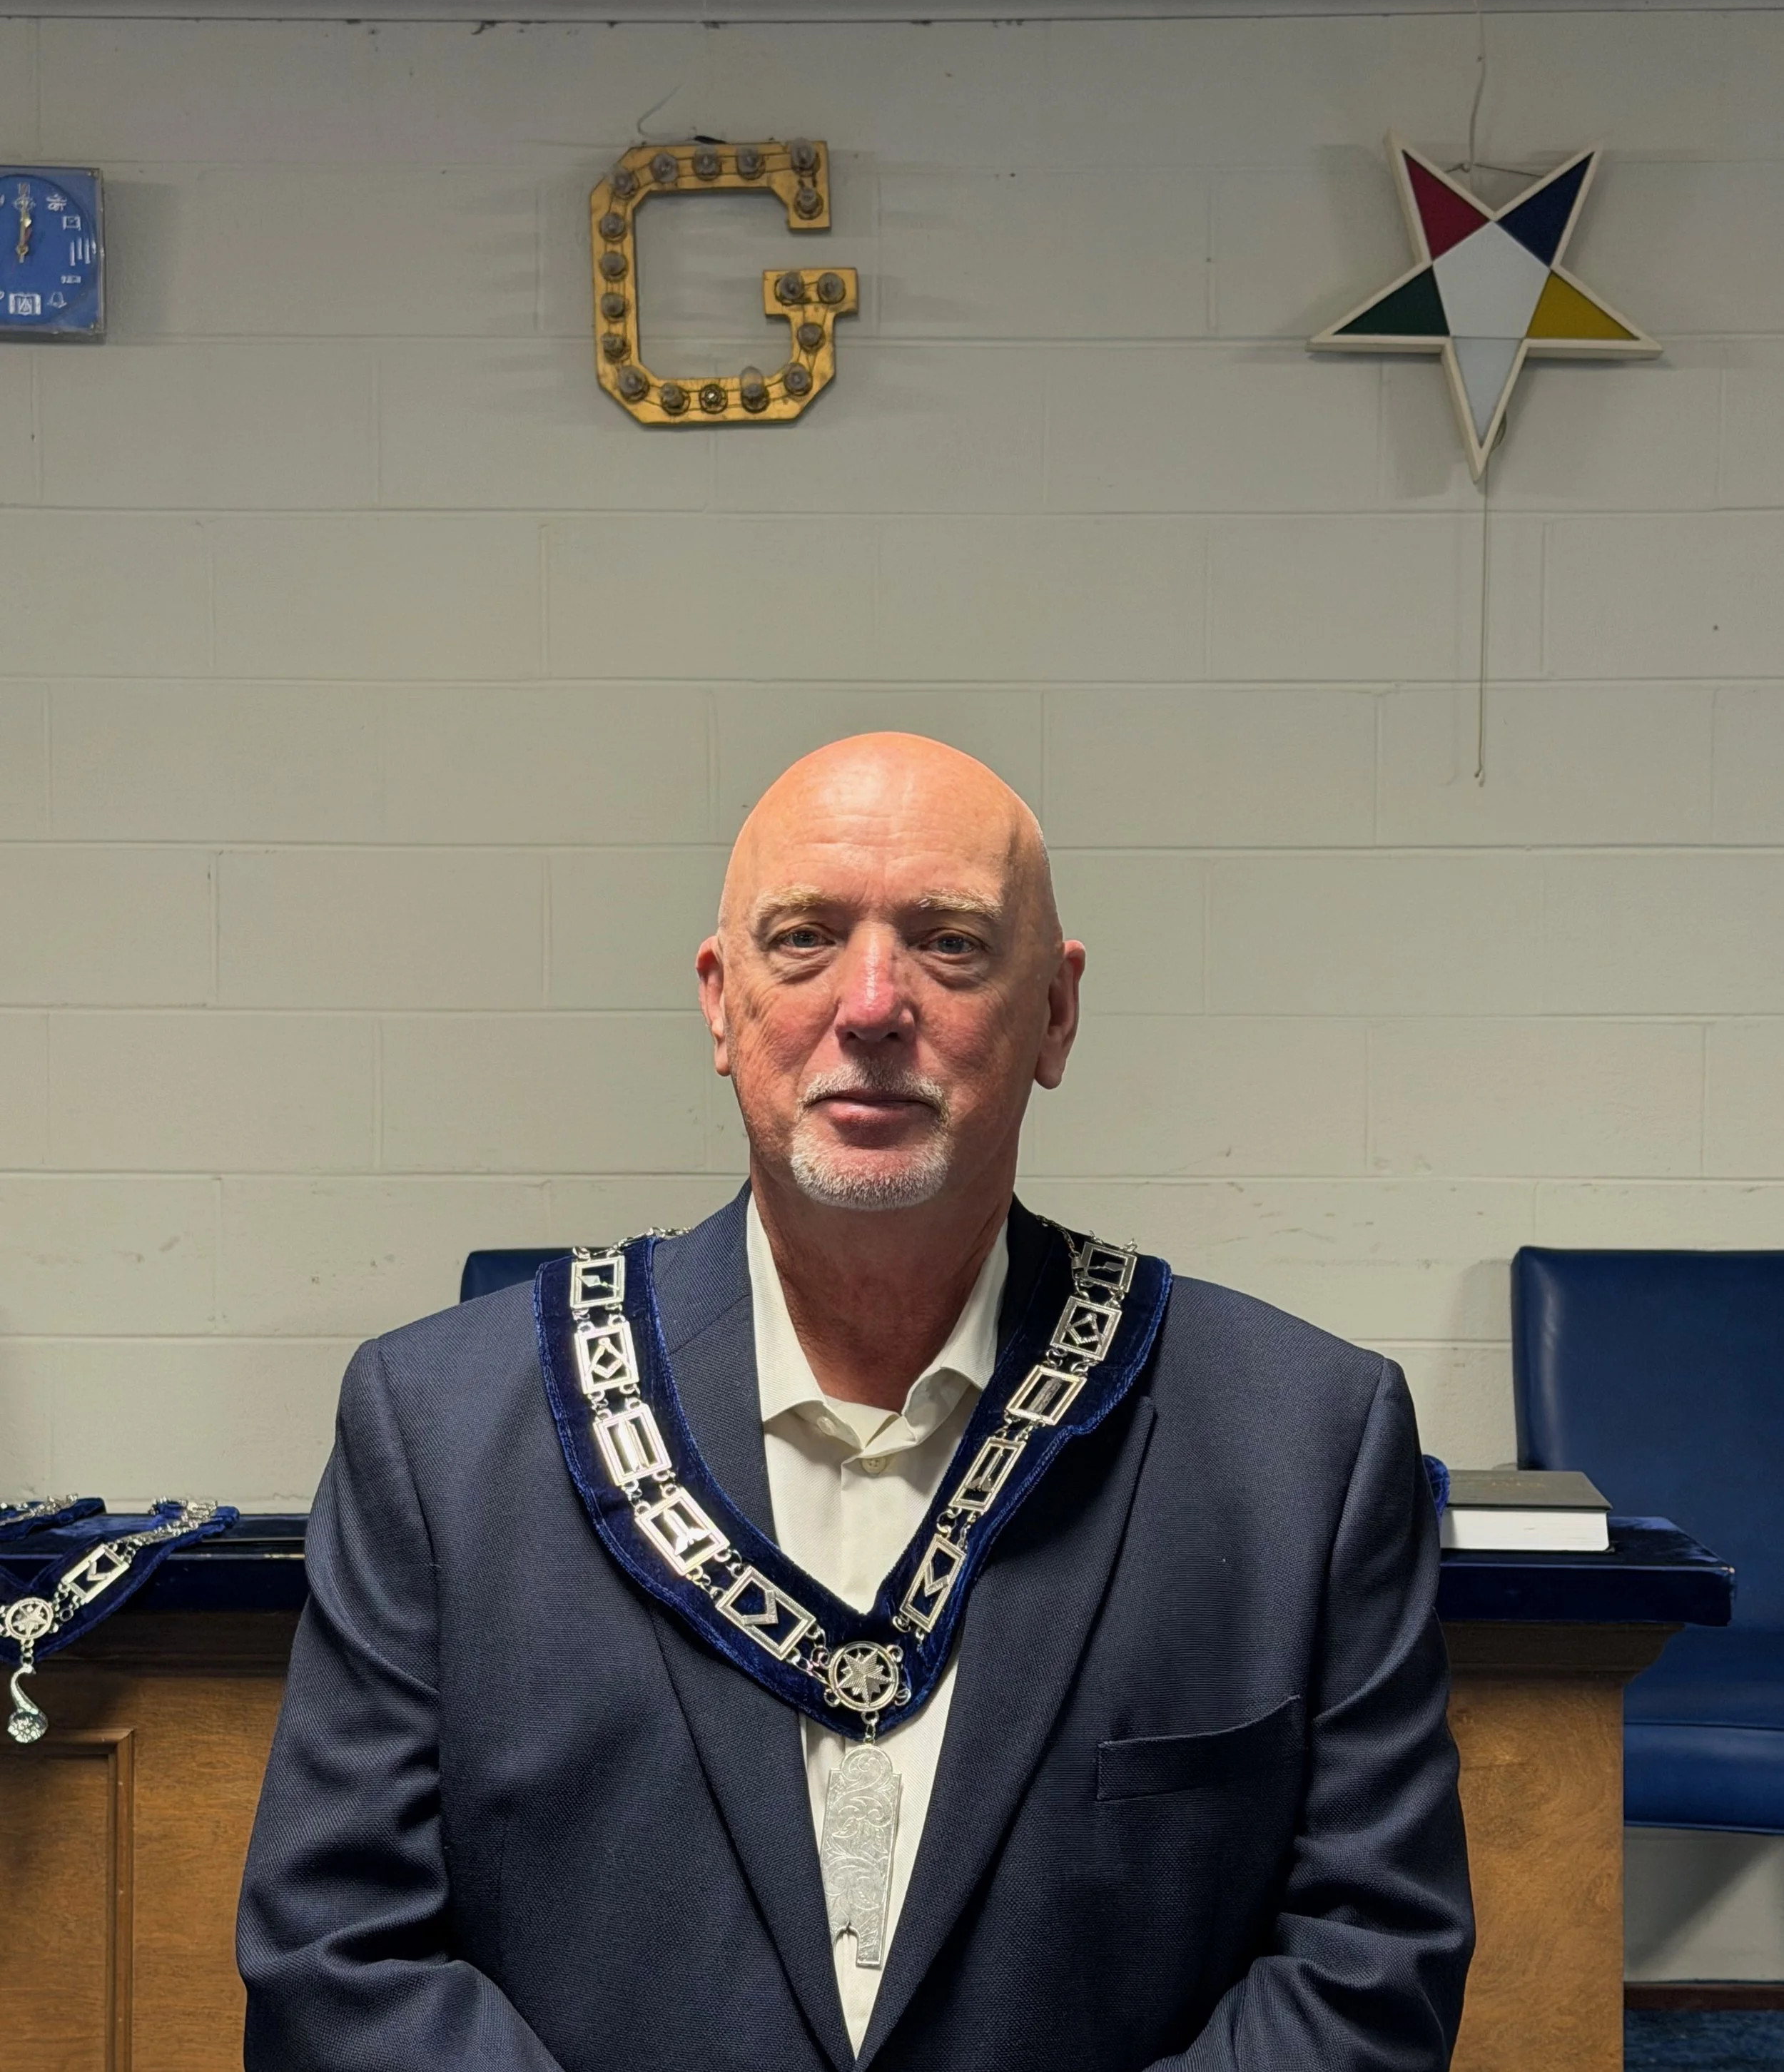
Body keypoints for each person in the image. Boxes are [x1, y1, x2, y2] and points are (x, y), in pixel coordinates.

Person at [238, 733, 1472, 2072]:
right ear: (721, 1003)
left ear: (1056, 1014)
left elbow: (1371, 1968)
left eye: (950, 943)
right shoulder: (439, 1434)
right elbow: (337, 1961)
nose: (873, 1004)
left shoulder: (1302, 1449)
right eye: (805, 939)